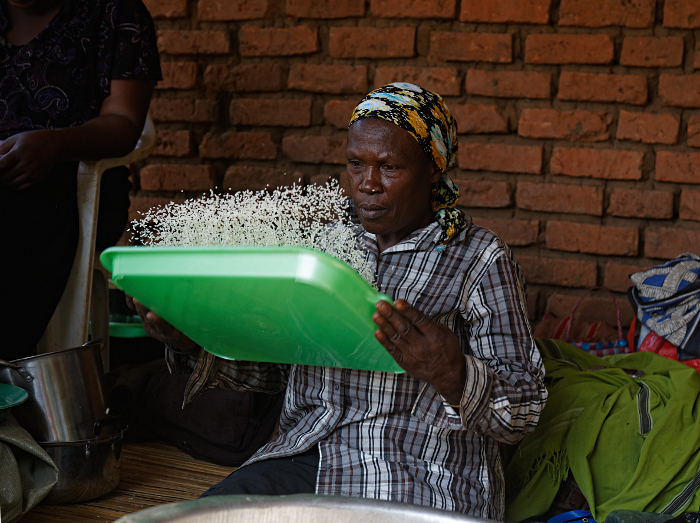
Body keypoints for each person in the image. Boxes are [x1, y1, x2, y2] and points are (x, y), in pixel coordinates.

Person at [132, 83, 547, 520]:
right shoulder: (321, 250)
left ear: (433, 170)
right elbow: (271, 373)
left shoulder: (478, 258)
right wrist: (192, 341)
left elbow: (525, 410)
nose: (368, 184)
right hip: (304, 459)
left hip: (417, 474)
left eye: (389, 167)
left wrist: (455, 373)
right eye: (356, 164)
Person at [0, 0, 162, 360]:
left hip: (75, 190)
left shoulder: (116, 13)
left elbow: (123, 120)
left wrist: (55, 144)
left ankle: (13, 377)